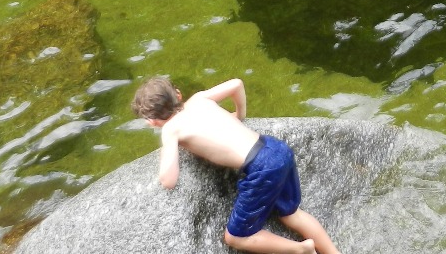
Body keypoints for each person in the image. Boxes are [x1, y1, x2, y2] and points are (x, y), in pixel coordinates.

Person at [131, 76, 341, 254]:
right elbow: (237, 84)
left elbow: (168, 180)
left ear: (153, 121)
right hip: (274, 147)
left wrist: (169, 146)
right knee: (292, 214)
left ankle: (300, 249)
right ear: (177, 94)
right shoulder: (199, 100)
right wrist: (239, 114)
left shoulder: (171, 129)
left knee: (235, 237)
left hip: (260, 167)